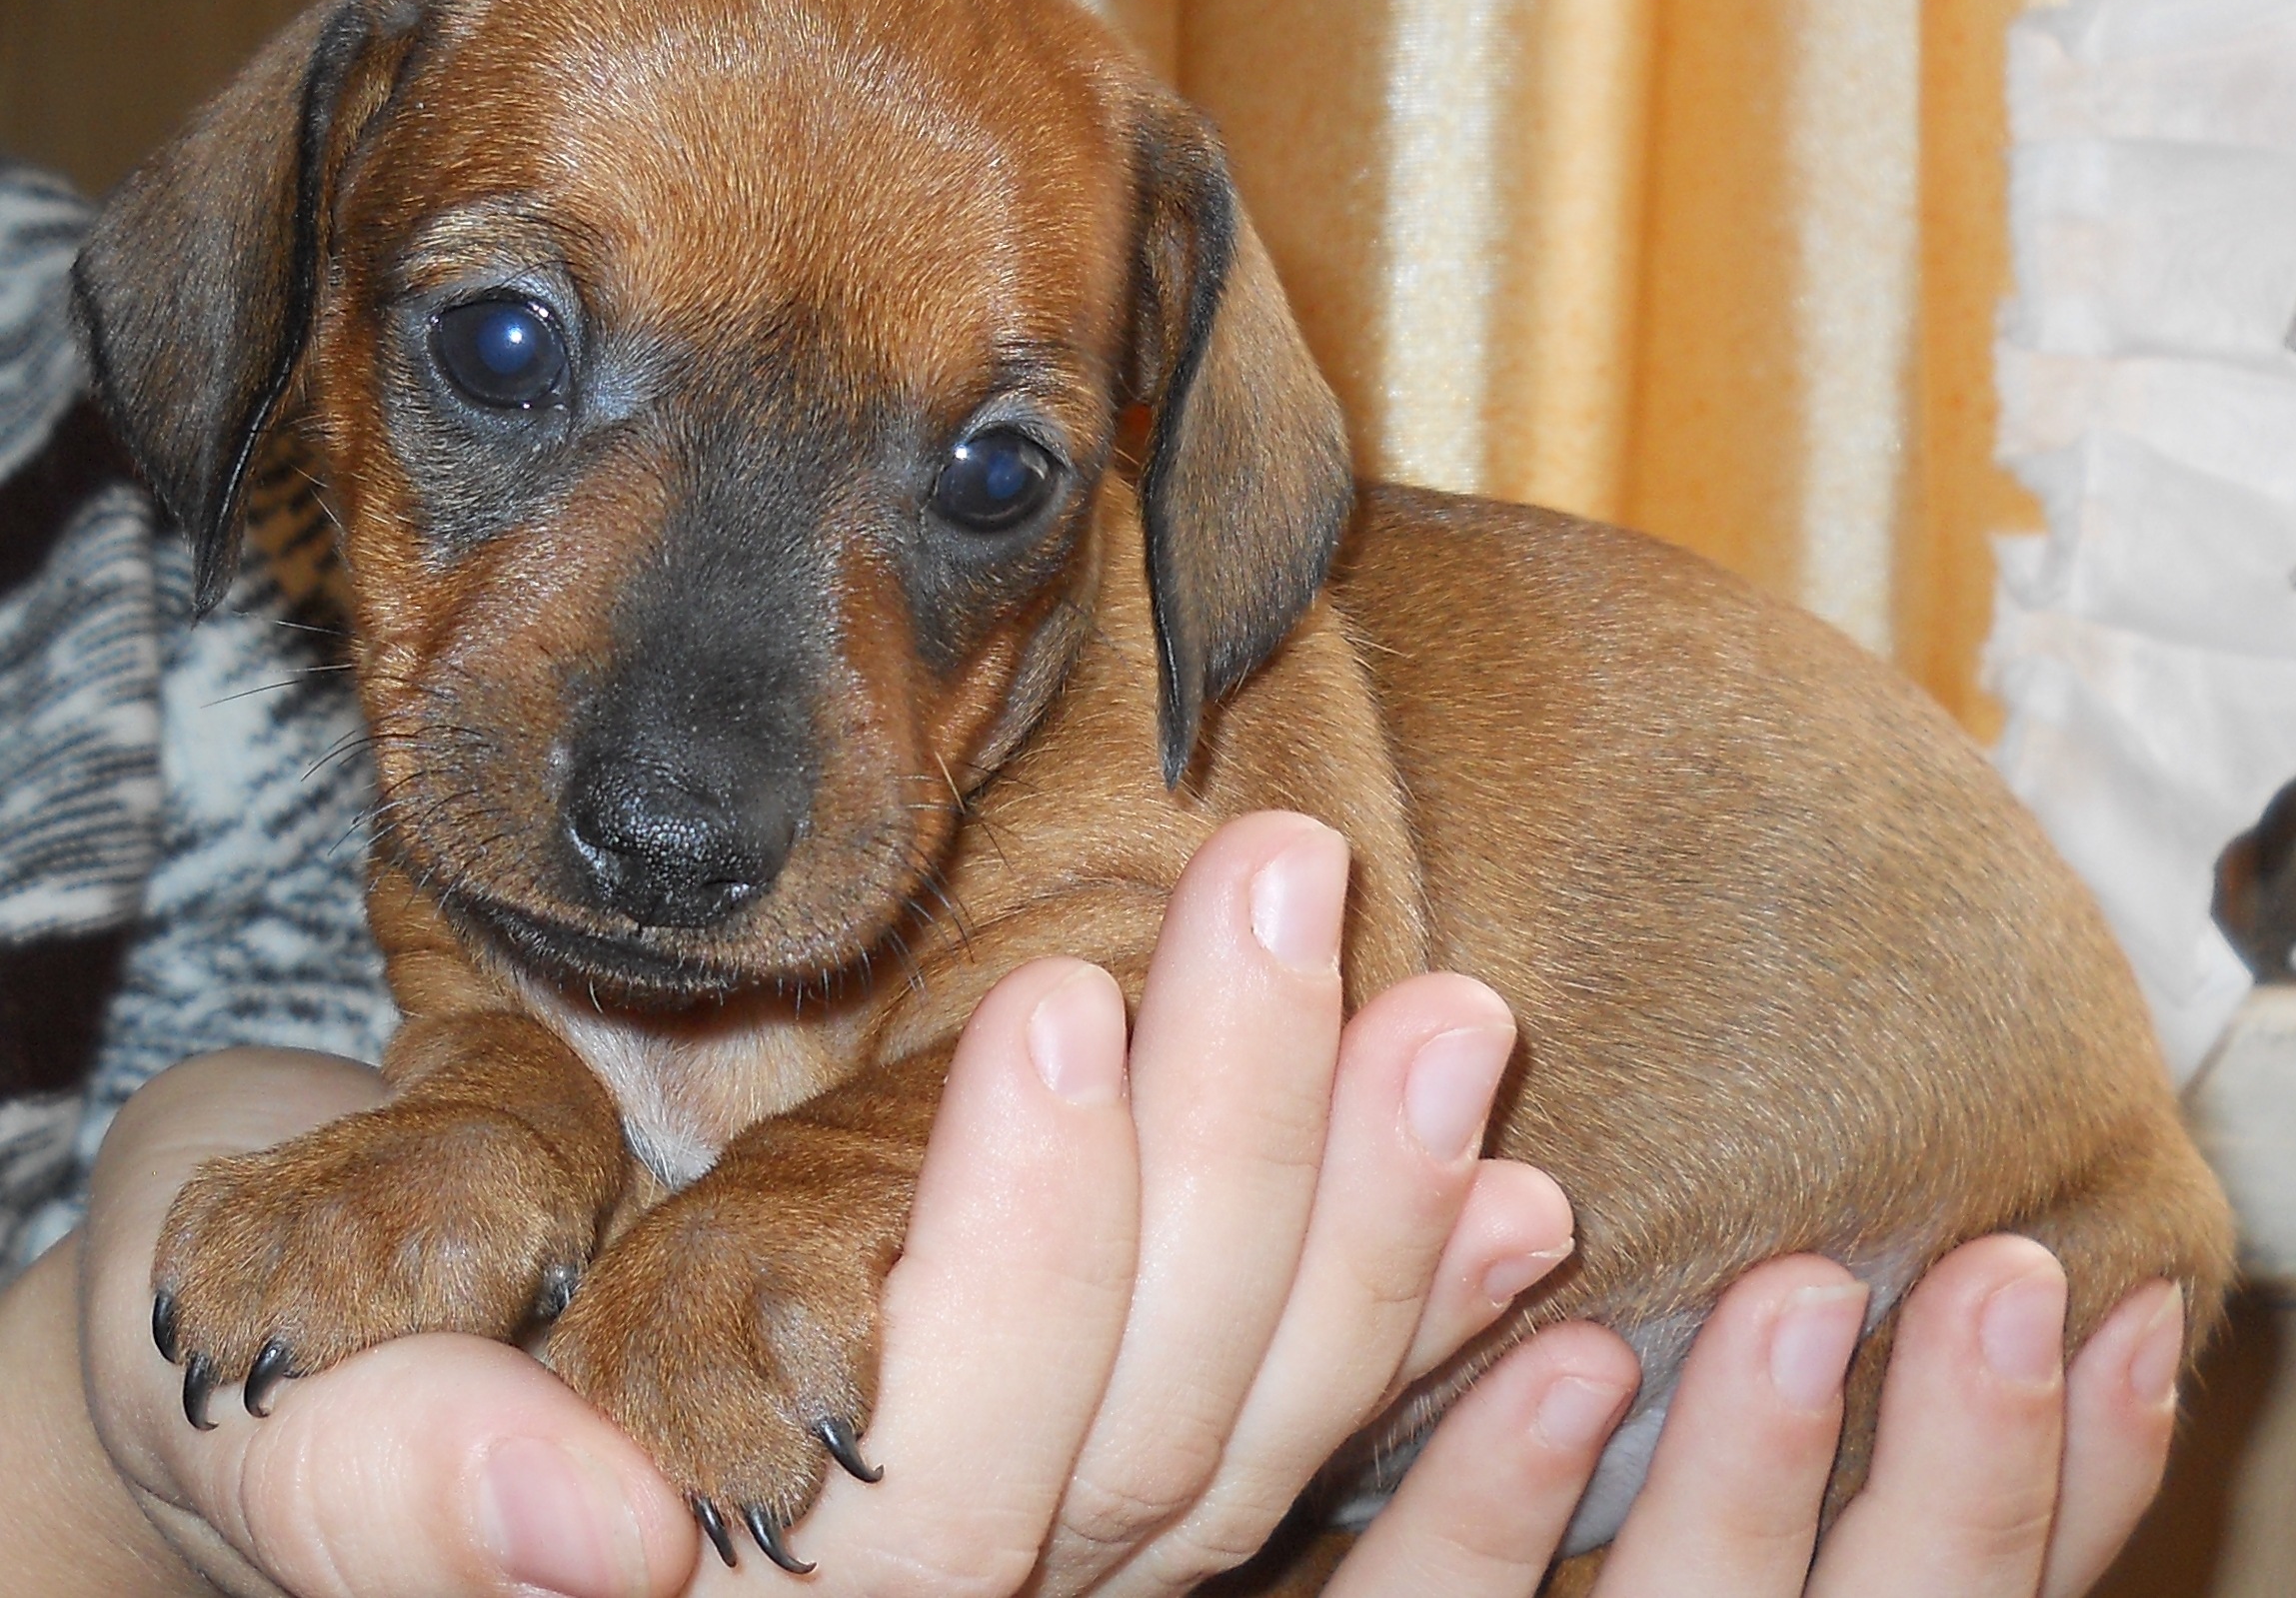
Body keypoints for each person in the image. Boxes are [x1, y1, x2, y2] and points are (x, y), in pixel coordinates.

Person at [0, 814, 2185, 1598]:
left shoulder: (1111, 726)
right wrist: (106, 1451)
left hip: (1988, 1204)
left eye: (983, 482)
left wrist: (822, 1173)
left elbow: (1129, 986)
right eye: (500, 355)